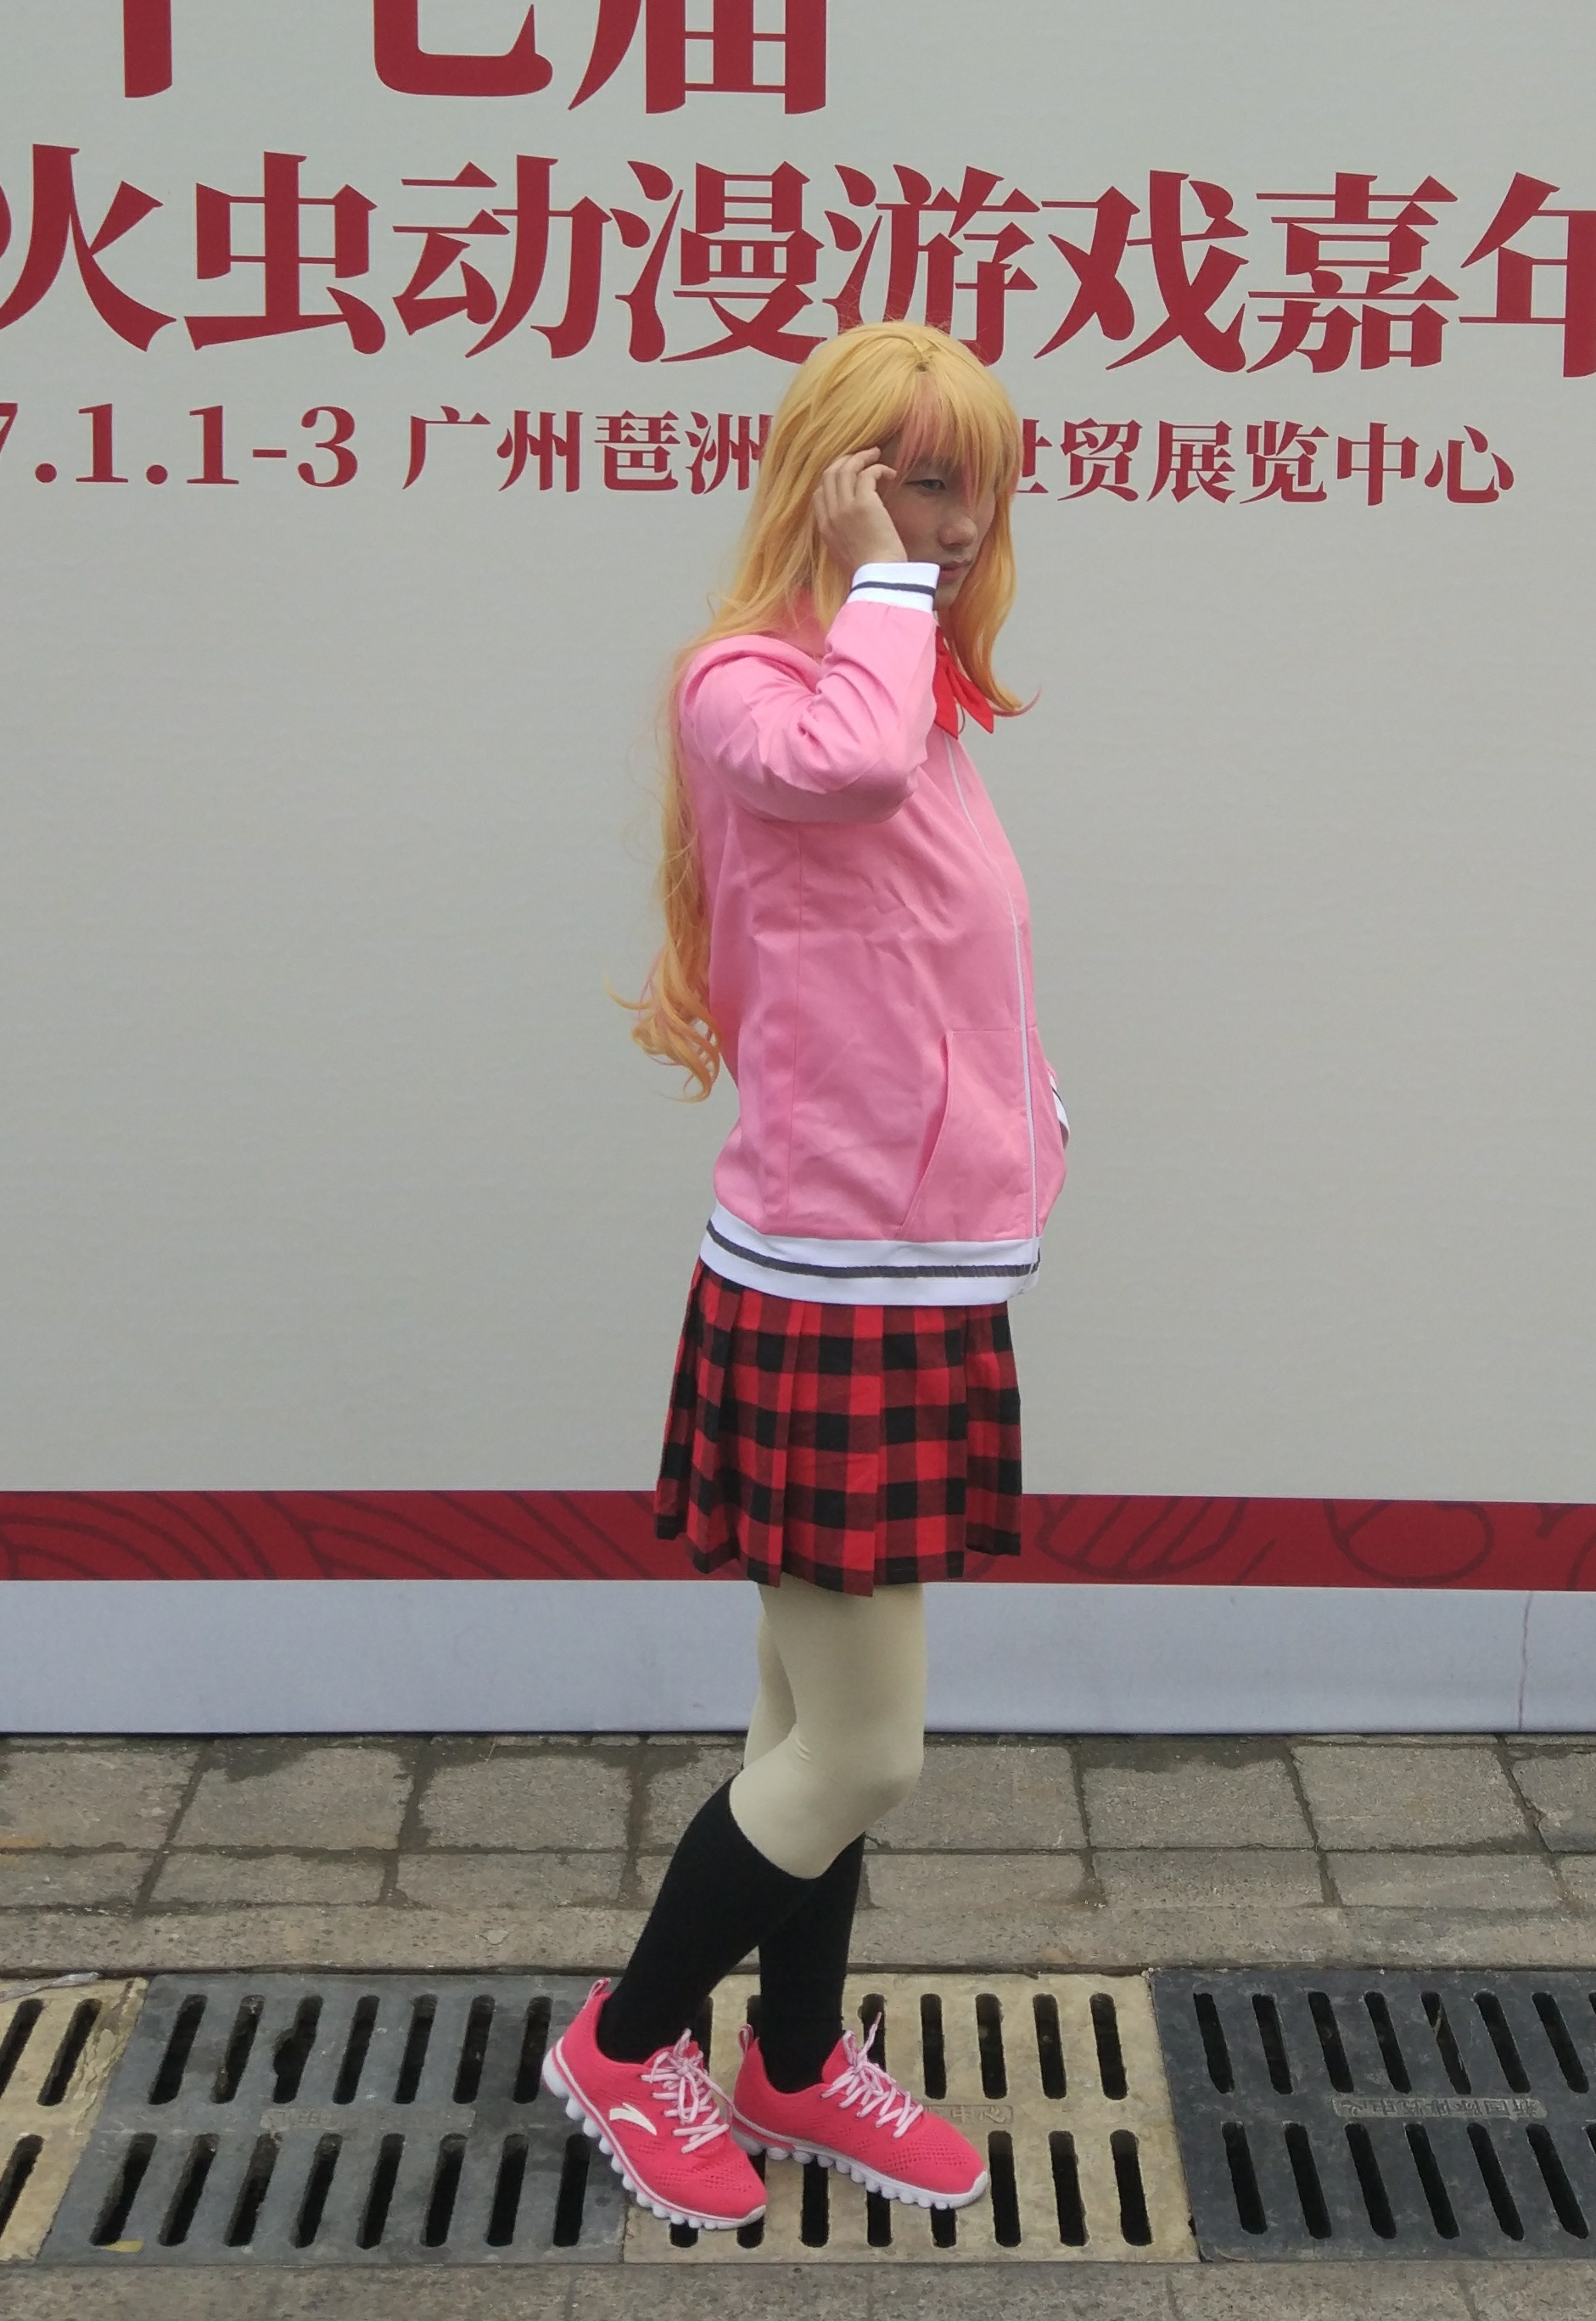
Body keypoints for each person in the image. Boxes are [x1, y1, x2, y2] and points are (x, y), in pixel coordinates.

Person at [542, 321, 1068, 2232]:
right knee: (865, 1749)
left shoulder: (908, 693)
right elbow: (838, 779)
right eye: (920, 478)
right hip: (829, 1287)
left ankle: (787, 2059)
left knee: (800, 1736)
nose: (960, 516)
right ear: (835, 483)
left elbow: (946, 959)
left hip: (903, 1273)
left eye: (976, 482)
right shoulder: (757, 688)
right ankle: (629, 2042)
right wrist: (887, 580)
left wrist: (1030, 1118)